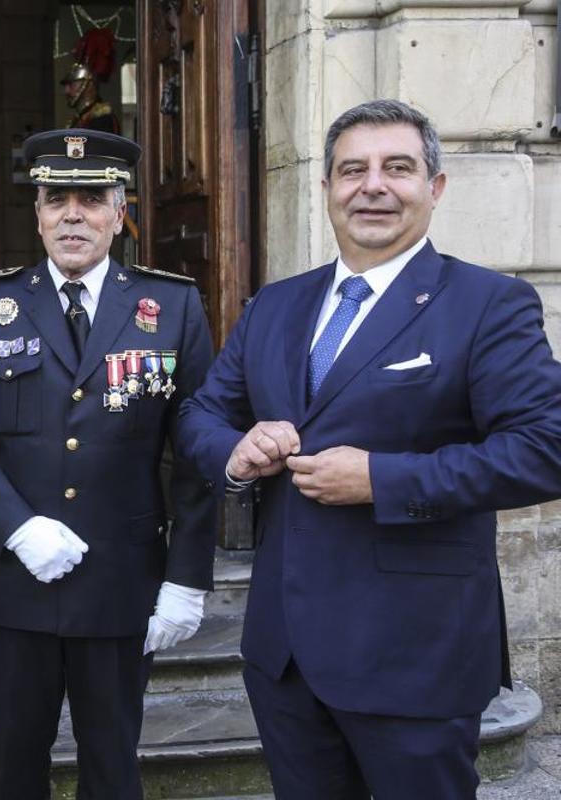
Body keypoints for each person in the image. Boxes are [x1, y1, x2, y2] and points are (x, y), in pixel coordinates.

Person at [178, 99, 561, 798]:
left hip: (415, 654)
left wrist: (381, 480)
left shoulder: (488, 304)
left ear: (434, 187)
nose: (373, 186)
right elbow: (201, 414)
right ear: (327, 188)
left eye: (398, 168)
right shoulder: (274, 305)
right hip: (285, 655)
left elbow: (544, 449)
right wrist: (235, 449)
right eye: (353, 170)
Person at [0, 128, 218, 799]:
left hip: (123, 581)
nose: (73, 216)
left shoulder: (171, 305)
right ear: (37, 213)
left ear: (120, 212)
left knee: (113, 765)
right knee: (14, 766)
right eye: (57, 200)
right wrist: (17, 526)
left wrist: (187, 576)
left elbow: (196, 447)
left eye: (91, 199)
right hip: (17, 583)